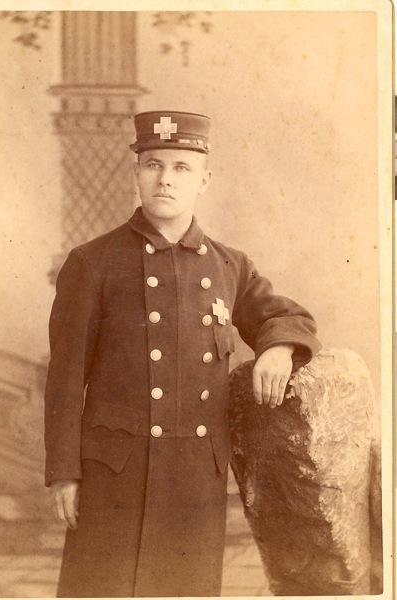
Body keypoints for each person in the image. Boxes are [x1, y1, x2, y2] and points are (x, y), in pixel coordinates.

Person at [44, 110, 321, 597]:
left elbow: (286, 315)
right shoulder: (92, 263)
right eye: (153, 165)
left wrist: (278, 347)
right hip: (114, 474)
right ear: (136, 173)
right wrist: (65, 473)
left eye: (181, 168)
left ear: (204, 180)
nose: (165, 179)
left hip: (194, 478)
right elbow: (65, 379)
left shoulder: (230, 265)